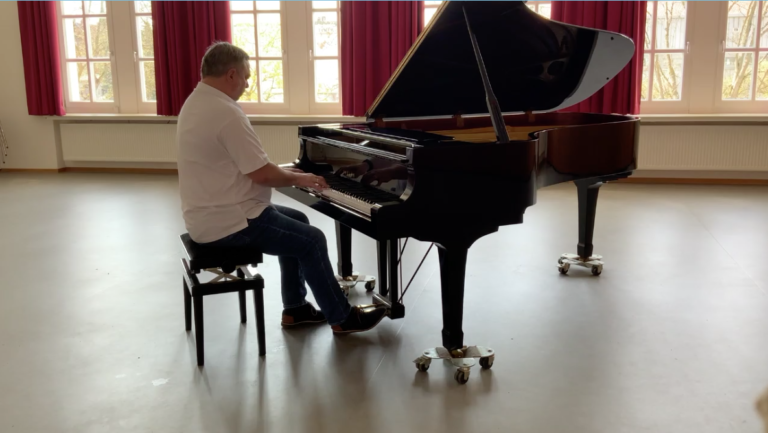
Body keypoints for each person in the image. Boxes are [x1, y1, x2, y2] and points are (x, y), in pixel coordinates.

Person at [176, 42, 387, 335]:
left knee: (298, 221)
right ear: (231, 74)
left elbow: (241, 164)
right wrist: (300, 179)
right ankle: (342, 317)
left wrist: (286, 172)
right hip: (231, 222)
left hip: (207, 216)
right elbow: (261, 174)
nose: (247, 84)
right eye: (246, 77)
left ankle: (295, 308)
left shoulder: (196, 103)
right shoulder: (226, 112)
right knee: (312, 240)